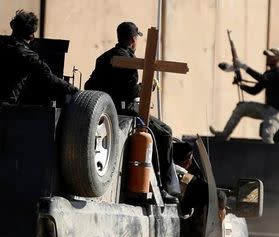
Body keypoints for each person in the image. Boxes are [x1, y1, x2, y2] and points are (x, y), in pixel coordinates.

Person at [85, 22, 179, 202]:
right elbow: (131, 92)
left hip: (103, 110)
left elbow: (89, 85)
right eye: (137, 39)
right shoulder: (129, 62)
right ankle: (164, 187)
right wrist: (147, 86)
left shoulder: (104, 57)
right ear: (133, 40)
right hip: (124, 110)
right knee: (165, 133)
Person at [210, 48, 279, 143]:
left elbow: (262, 79)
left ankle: (271, 156)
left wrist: (243, 66)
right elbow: (255, 90)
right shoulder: (268, 73)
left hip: (278, 112)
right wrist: (242, 86)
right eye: (267, 56)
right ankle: (223, 136)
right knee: (241, 107)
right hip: (267, 109)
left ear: (278, 58)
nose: (267, 58)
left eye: (270, 56)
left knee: (267, 135)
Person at [0, 10, 78, 104]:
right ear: (31, 36)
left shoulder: (3, 46)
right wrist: (73, 89)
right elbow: (48, 77)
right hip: (6, 107)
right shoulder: (28, 56)